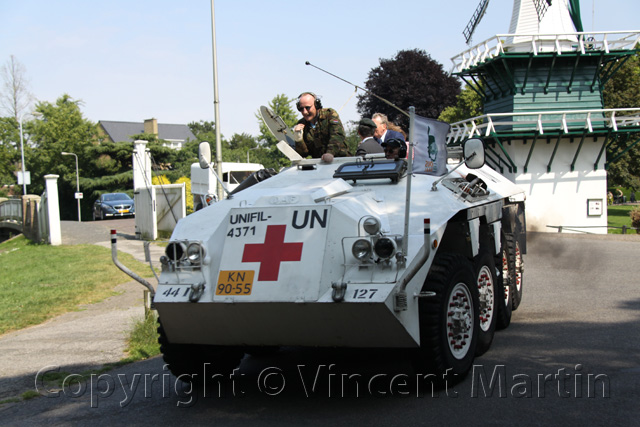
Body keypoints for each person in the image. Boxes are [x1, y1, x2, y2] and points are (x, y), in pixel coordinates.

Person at [292, 92, 350, 162]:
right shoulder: (302, 124)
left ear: (316, 105)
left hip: (340, 161)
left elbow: (337, 135)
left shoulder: (329, 114)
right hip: (320, 165)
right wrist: (298, 139)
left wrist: (330, 153)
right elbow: (304, 153)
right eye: (301, 109)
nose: (305, 112)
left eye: (308, 108)